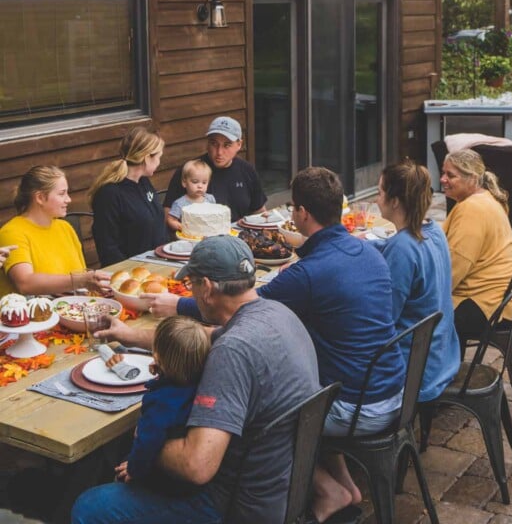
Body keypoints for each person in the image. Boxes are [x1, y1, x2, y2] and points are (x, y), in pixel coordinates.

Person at [161, 167, 405, 522]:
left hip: (357, 406)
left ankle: (327, 492)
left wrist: (177, 304)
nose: (291, 214)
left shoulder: (307, 274)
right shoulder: (368, 251)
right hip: (392, 388)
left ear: (302, 213)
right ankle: (345, 487)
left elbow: (243, 302)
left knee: (273, 409)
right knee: (300, 381)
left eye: (293, 208)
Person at [72, 235, 320, 524]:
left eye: (191, 284)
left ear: (208, 288)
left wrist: (145, 439)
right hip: (285, 486)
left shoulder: (233, 351)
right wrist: (128, 335)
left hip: (237, 507)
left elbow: (196, 466)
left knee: (89, 506)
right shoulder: (277, 313)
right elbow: (200, 337)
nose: (190, 292)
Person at [374, 159, 460, 401]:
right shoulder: (434, 231)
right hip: (442, 354)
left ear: (395, 201)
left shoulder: (402, 249)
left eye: (380, 192)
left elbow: (385, 318)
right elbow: (396, 246)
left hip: (415, 371)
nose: (376, 199)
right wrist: (364, 244)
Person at [440, 148, 512, 353]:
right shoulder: (486, 198)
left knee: (423, 319)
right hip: (504, 298)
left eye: (450, 175)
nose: (443, 179)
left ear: (472, 178)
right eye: (443, 172)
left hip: (489, 304)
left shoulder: (471, 209)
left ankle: (441, 376)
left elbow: (453, 270)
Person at [115, 316, 210, 491]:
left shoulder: (161, 401)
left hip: (167, 481)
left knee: (118, 461)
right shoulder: (200, 382)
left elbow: (147, 440)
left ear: (157, 356)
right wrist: (162, 368)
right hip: (189, 476)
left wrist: (134, 469)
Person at [0, 166, 110, 297]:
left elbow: (81, 277)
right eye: (62, 193)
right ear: (40, 198)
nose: (68, 199)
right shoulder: (12, 232)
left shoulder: (65, 227)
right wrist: (80, 281)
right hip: (36, 315)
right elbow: (25, 284)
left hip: (74, 310)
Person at [163, 116, 267, 225]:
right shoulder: (189, 171)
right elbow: (167, 216)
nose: (219, 152)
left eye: (227, 145)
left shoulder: (247, 171)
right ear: (207, 143)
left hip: (239, 235)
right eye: (214, 144)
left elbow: (259, 211)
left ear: (239, 145)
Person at [89, 126, 168, 267]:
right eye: (158, 157)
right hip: (129, 277)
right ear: (147, 158)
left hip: (157, 267)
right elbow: (108, 248)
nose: (159, 162)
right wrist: (130, 273)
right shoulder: (109, 194)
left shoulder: (144, 182)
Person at [167, 159, 216, 231]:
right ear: (184, 182)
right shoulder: (180, 203)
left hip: (208, 234)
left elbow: (215, 216)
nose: (200, 186)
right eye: (195, 182)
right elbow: (171, 220)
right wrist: (181, 227)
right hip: (189, 237)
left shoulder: (210, 199)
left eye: (204, 182)